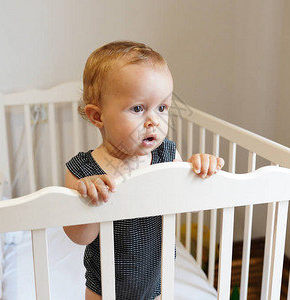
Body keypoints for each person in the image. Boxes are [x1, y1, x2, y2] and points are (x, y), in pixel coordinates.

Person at [63, 41, 224, 300]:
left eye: (162, 108)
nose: (154, 121)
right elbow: (80, 237)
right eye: (138, 108)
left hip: (156, 281)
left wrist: (200, 170)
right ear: (97, 116)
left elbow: (190, 203)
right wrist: (88, 199)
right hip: (104, 288)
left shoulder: (167, 156)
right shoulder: (83, 171)